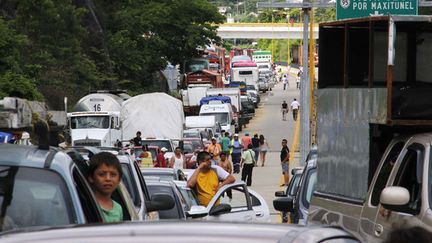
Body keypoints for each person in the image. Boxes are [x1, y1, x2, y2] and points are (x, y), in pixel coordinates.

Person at [87, 152, 123, 222]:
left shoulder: (118, 208)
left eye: (113, 174)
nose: (108, 179)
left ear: (119, 179)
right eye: (102, 174)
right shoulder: (88, 205)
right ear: (91, 177)